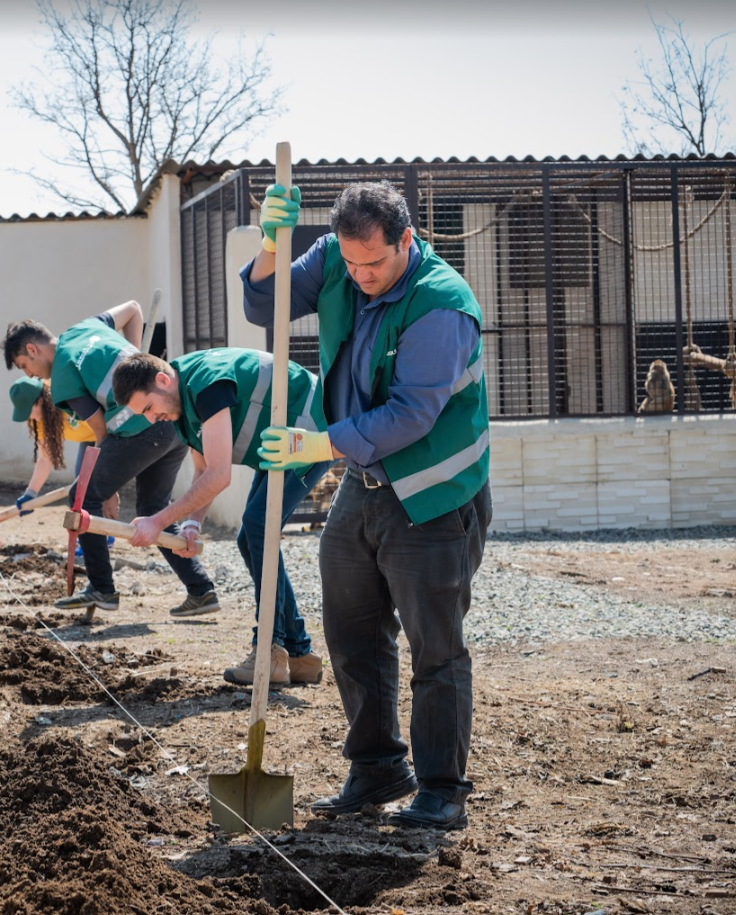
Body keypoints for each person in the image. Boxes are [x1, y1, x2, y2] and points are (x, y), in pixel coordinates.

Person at [243, 180, 492, 831]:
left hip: (433, 490)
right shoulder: (334, 258)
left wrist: (316, 442)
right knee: (350, 628)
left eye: (373, 264)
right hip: (364, 477)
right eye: (350, 265)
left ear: (405, 240)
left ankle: (441, 788)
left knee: (433, 645)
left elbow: (411, 413)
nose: (360, 277)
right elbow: (264, 304)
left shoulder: (441, 304)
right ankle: (378, 765)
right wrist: (270, 239)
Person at [111, 348, 329, 685]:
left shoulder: (206, 384)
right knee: (250, 535)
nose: (152, 419)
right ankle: (299, 654)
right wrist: (192, 525)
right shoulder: (179, 404)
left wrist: (157, 521)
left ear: (162, 380)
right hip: (277, 446)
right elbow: (202, 469)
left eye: (149, 408)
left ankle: (269, 651)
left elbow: (219, 475)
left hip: (309, 430)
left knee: (257, 528)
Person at [1, 304, 219, 619]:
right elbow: (133, 310)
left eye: (25, 365)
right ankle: (201, 589)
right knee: (152, 508)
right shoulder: (88, 326)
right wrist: (134, 355)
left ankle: (102, 588)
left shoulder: (62, 374)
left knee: (83, 497)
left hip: (143, 427)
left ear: (32, 349)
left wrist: (106, 489)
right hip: (172, 418)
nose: (31, 374)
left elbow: (101, 431)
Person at [7, 376, 113, 553]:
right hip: (89, 438)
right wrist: (30, 494)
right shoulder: (41, 421)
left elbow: (101, 426)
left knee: (86, 489)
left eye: (30, 410)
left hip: (107, 434)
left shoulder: (68, 399)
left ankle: (98, 537)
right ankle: (94, 537)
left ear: (41, 401)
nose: (31, 417)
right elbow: (45, 458)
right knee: (81, 487)